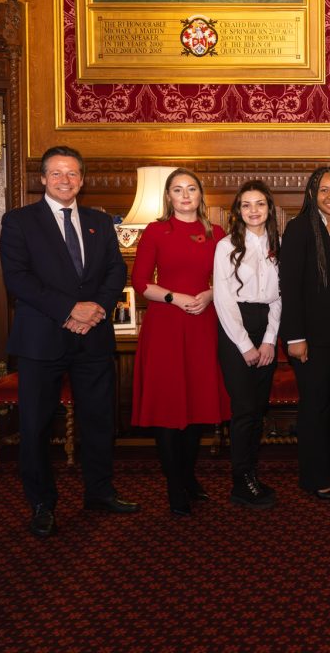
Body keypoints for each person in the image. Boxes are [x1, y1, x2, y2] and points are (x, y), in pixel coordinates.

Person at [0, 146, 138, 538]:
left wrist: (96, 308)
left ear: (82, 179)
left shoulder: (97, 221)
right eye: (56, 173)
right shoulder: (19, 221)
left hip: (93, 337)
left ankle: (99, 492)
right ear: (42, 179)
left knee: (98, 421)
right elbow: (19, 279)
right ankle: (42, 503)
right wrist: (69, 310)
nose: (65, 180)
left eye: (72, 173)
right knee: (37, 426)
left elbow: (116, 269)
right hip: (41, 339)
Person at [131, 168, 229, 516]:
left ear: (201, 195)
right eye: (177, 190)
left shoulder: (216, 233)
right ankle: (174, 483)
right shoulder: (156, 231)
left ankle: (188, 477)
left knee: (199, 405)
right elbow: (140, 281)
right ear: (168, 197)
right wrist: (175, 297)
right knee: (169, 405)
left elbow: (231, 280)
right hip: (166, 325)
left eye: (191, 189)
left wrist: (209, 294)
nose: (185, 195)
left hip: (204, 322)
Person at [280, 166, 330, 501]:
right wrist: (295, 336)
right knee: (316, 404)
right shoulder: (300, 230)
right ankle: (315, 477)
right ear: (312, 194)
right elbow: (290, 287)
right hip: (312, 331)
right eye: (325, 190)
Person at [213, 180, 282, 508]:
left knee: (258, 408)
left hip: (266, 327)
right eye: (246, 205)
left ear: (269, 209)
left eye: (260, 204)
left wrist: (269, 340)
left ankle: (251, 472)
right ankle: (240, 481)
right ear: (238, 212)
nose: (254, 210)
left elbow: (281, 296)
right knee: (243, 409)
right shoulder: (226, 246)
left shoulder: (278, 244)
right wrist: (245, 345)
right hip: (234, 331)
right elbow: (224, 301)